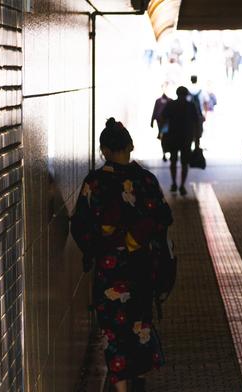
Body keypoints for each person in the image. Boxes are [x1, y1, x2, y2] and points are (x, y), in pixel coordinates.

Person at [70, 118, 172, 392]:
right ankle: (138, 377)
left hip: (110, 271)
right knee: (139, 323)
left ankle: (122, 386)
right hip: (142, 269)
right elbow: (163, 218)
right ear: (131, 146)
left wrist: (97, 247)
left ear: (103, 150)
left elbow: (79, 225)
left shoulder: (95, 183)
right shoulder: (146, 180)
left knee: (114, 330)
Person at [161, 86, 199, 196]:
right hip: (186, 138)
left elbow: (163, 117)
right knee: (184, 163)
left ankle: (174, 183)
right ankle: (182, 185)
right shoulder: (191, 105)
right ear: (187, 94)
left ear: (177, 93)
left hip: (173, 137)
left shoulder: (171, 104)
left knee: (173, 161)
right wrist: (197, 140)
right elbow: (196, 122)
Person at [188, 75, 208, 149]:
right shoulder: (201, 91)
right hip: (199, 115)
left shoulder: (188, 90)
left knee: (190, 132)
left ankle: (190, 149)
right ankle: (197, 148)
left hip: (189, 116)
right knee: (198, 132)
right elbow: (206, 103)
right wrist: (205, 114)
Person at [150, 89, 170, 162]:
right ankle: (164, 153)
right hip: (161, 122)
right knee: (163, 137)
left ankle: (166, 152)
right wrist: (152, 121)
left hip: (167, 122)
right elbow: (155, 111)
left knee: (166, 137)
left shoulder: (170, 100)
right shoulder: (158, 101)